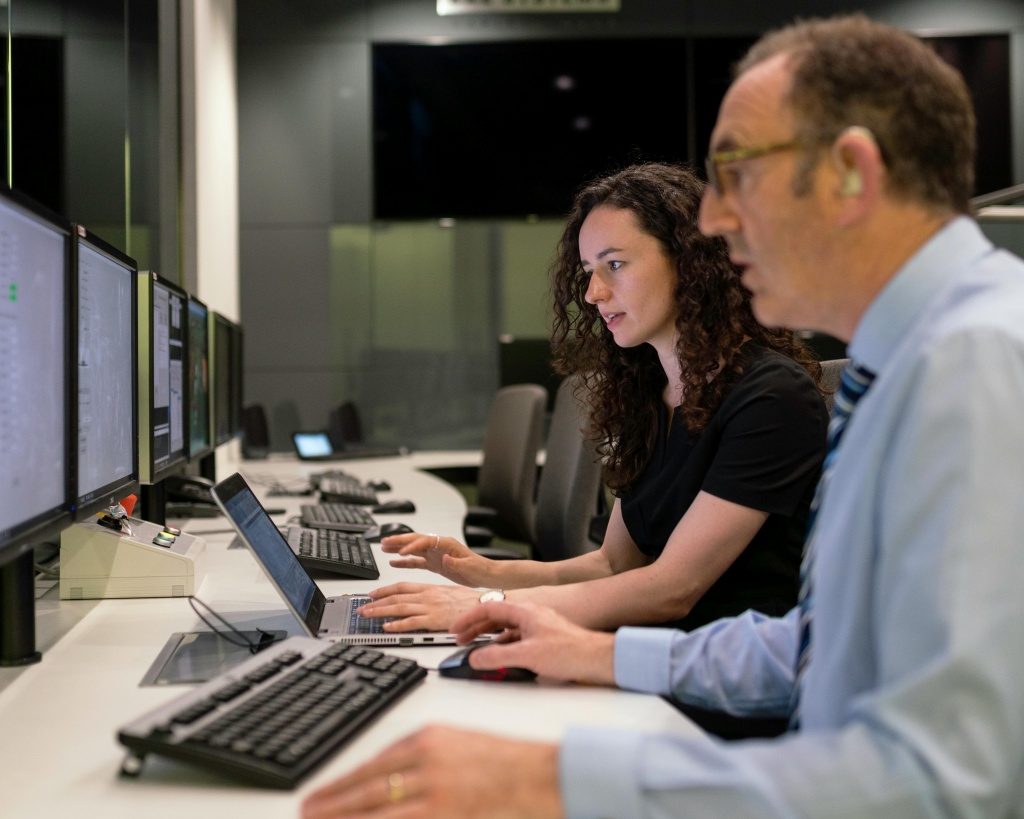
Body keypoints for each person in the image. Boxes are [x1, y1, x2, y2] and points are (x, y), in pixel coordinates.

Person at [302, 14, 1024, 817]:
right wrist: (599, 653)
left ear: (851, 174)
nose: (714, 220)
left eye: (736, 174)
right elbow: (813, 647)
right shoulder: (904, 367)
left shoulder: (978, 367)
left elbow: (952, 781)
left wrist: (560, 780)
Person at [357, 162, 827, 641]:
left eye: (615, 265)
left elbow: (672, 588)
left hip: (714, 681)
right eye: (587, 272)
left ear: (689, 261)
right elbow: (613, 565)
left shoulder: (771, 397)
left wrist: (483, 606)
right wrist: (482, 572)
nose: (594, 293)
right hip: (640, 653)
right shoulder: (647, 395)